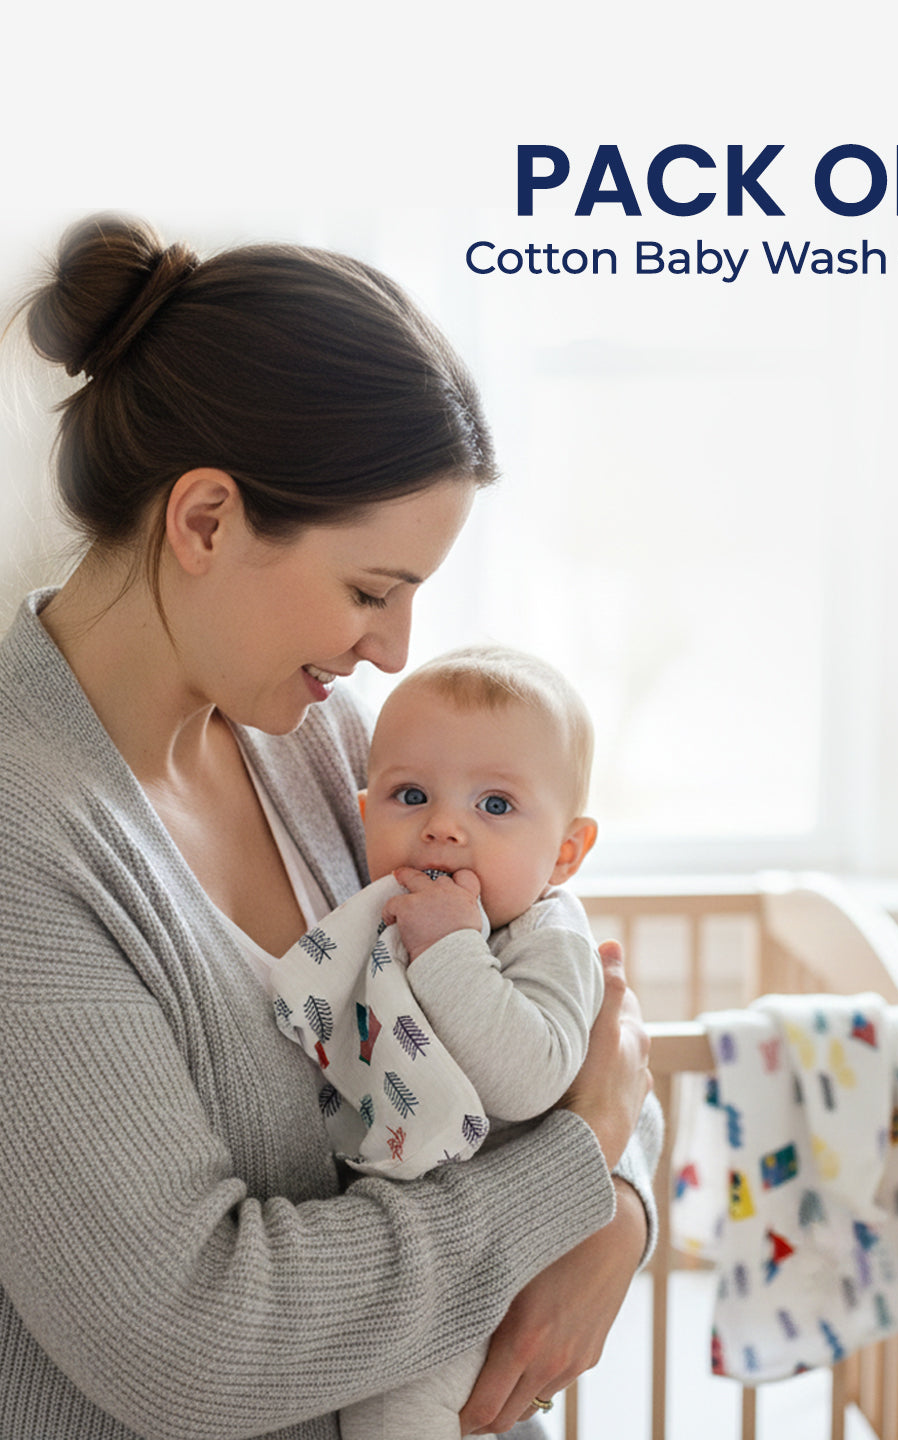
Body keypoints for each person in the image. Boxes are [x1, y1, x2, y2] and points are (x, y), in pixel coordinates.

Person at [0, 214, 659, 1440]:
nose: (394, 651)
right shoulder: (23, 847)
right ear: (205, 520)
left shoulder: (320, 740)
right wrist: (583, 1165)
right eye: (370, 591)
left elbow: (570, 1007)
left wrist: (618, 1211)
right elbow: (199, 1344)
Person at [271, 645, 610, 1438]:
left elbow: (533, 1079)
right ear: (365, 815)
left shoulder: (546, 937)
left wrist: (453, 949)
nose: (443, 827)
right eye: (411, 796)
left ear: (566, 852)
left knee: (398, 1415)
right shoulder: (385, 914)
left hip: (492, 1268)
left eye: (495, 805)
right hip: (400, 1252)